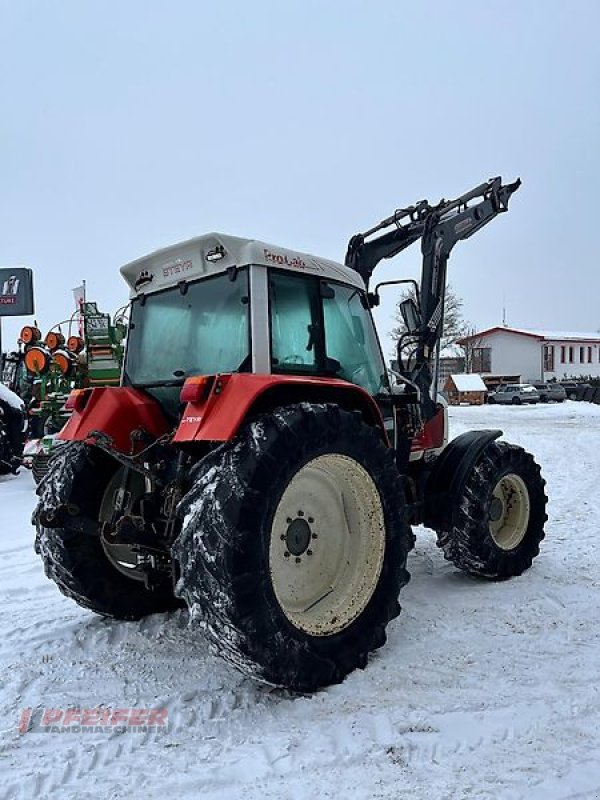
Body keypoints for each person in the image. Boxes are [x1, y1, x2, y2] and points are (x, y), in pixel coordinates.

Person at [0, 382, 26, 472]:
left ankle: (13, 458)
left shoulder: (6, 397)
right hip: (14, 413)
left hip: (14, 415)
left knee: (13, 437)